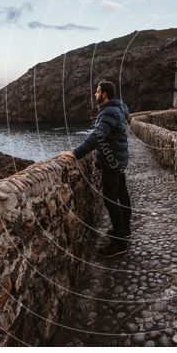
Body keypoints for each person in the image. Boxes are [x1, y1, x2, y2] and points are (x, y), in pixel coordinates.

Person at [61, 80, 131, 257]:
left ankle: (120, 244)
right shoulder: (118, 108)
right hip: (118, 159)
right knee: (122, 195)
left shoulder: (108, 111)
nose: (95, 94)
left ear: (105, 94)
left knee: (111, 200)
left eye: (98, 91)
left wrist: (76, 153)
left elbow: (97, 136)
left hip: (112, 162)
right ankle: (124, 230)